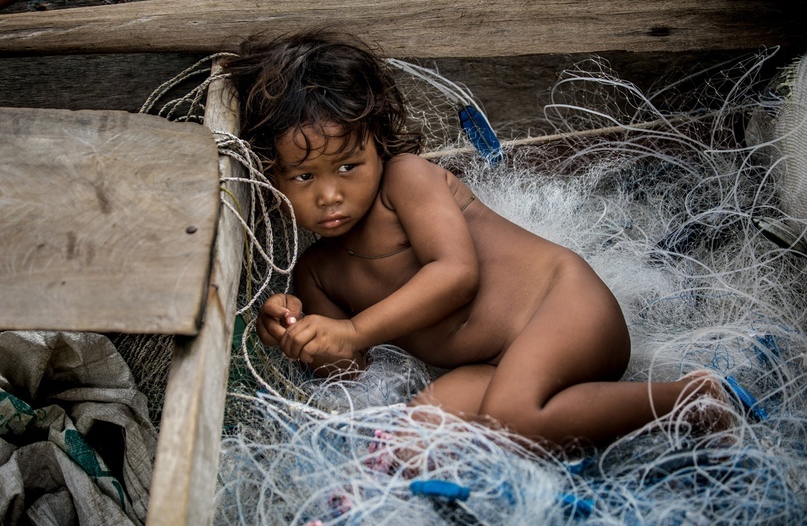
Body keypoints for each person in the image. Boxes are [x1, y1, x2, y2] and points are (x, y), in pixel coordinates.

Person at [224, 30, 729, 446]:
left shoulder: (406, 181)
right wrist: (301, 333)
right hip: (491, 365)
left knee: (517, 418)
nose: (331, 195)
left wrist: (354, 330)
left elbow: (457, 275)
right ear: (270, 176)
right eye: (304, 177)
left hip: (562, 307)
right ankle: (562, 413)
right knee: (419, 435)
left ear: (377, 142)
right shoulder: (319, 273)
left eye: (349, 166)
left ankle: (692, 400)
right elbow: (352, 371)